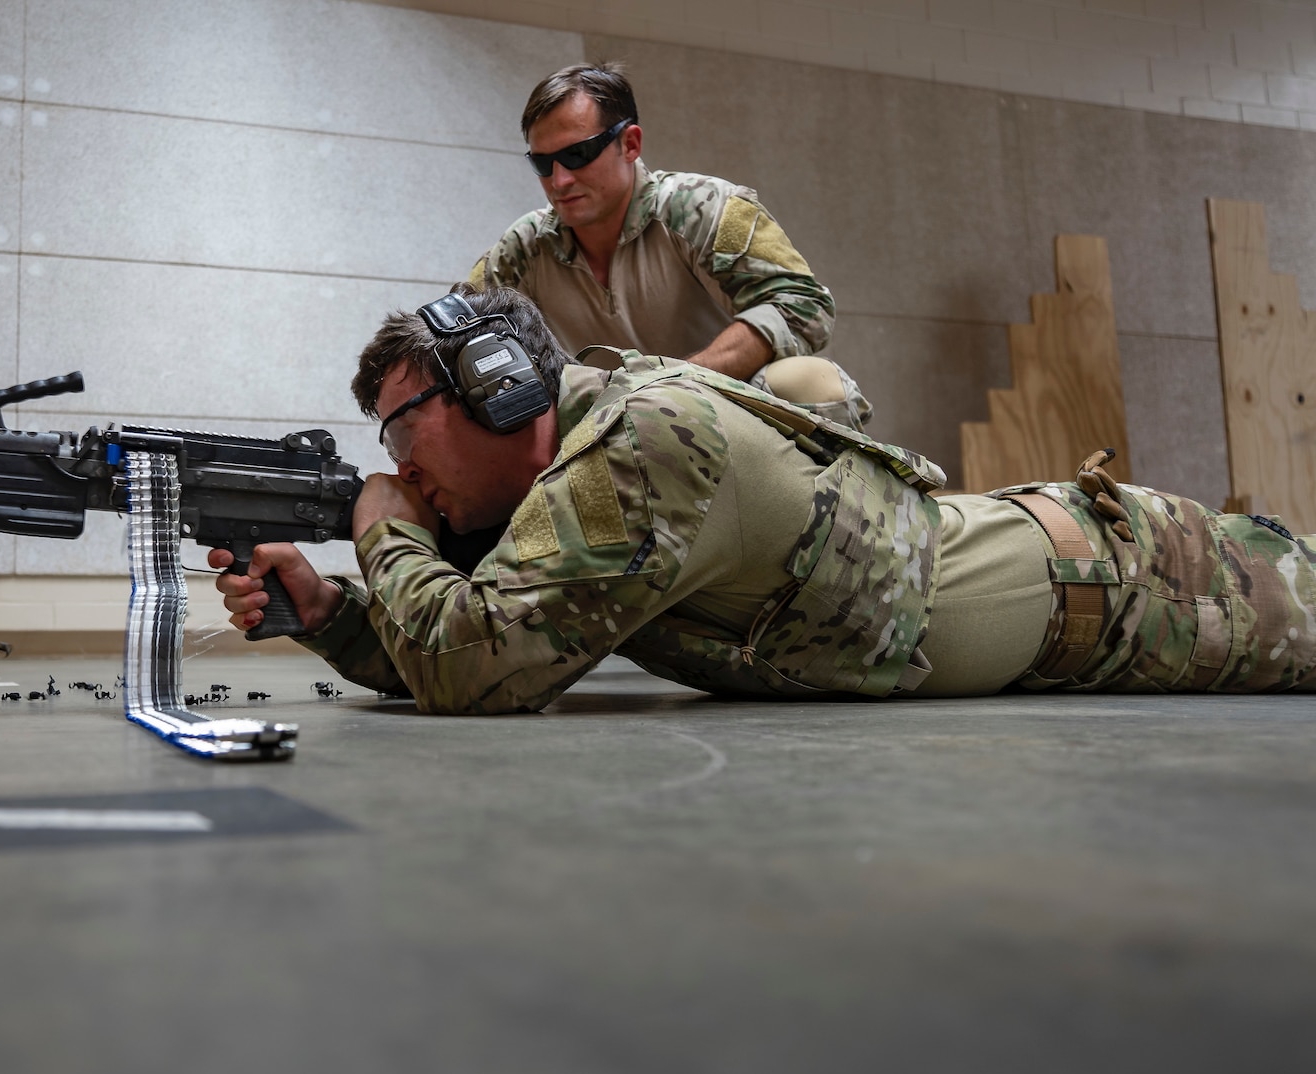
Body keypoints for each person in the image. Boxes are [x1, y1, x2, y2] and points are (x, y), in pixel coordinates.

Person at [209, 287, 1315, 714]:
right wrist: (334, 616)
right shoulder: (569, 480)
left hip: (1130, 585)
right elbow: (499, 640)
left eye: (404, 425)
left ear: (498, 391)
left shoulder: (638, 441)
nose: (399, 463)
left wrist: (378, 524)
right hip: (1077, 606)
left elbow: (471, 669)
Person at [469, 63, 871, 432]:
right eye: (543, 164)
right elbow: (456, 345)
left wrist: (672, 386)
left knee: (809, 381)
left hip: (727, 414)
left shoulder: (700, 208)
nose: (559, 181)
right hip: (604, 432)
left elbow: (802, 304)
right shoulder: (522, 248)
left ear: (629, 143)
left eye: (577, 155)